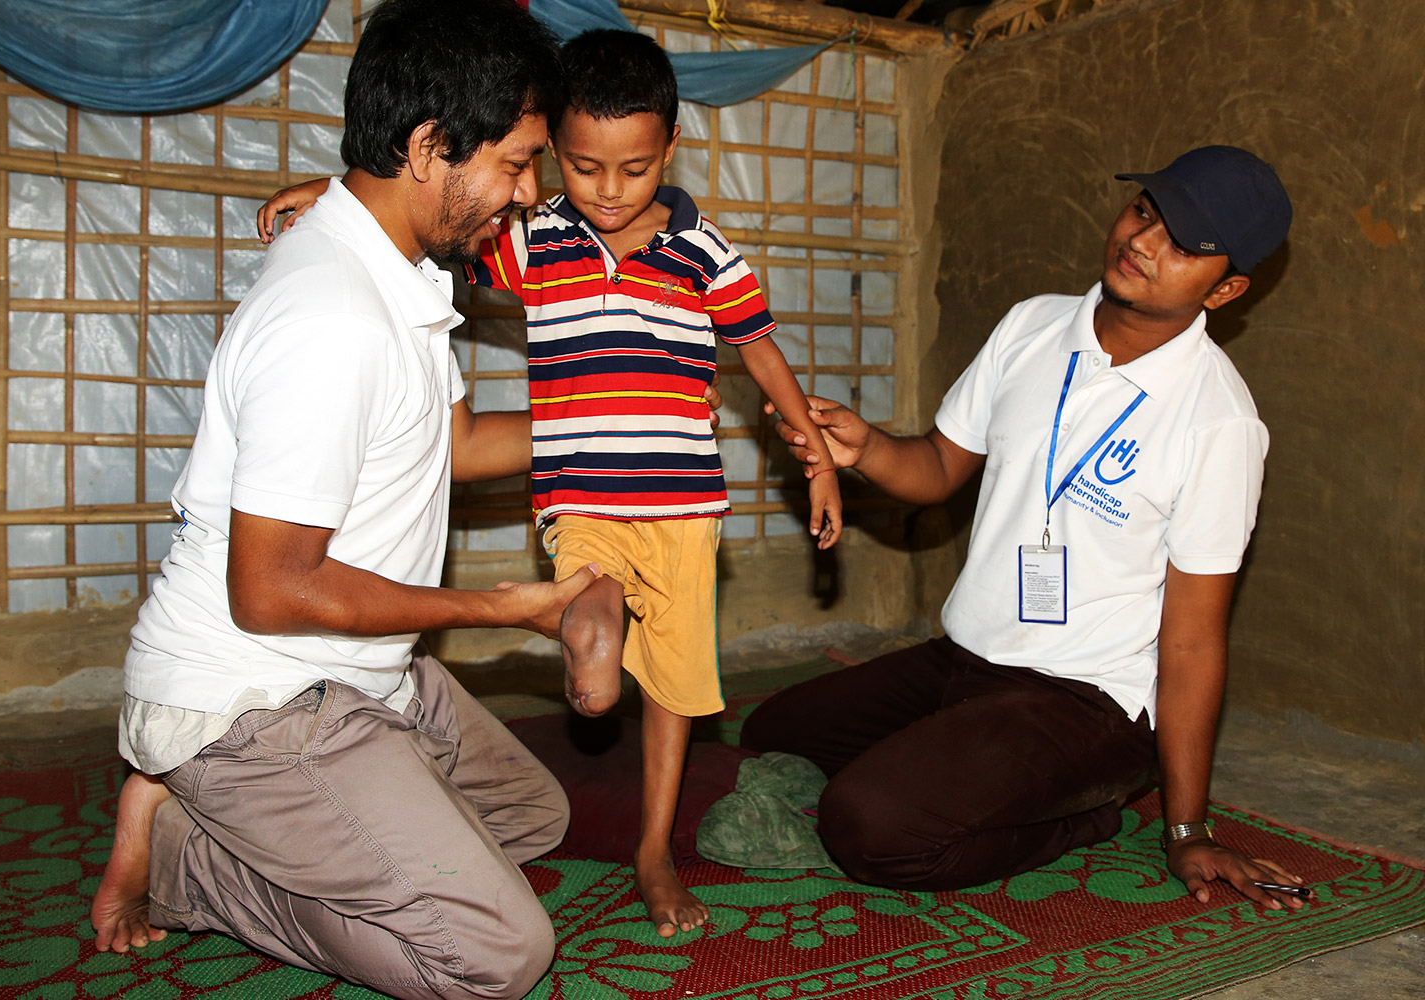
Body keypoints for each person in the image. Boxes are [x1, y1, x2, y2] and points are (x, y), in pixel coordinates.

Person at [259, 29, 843, 939]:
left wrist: (813, 459)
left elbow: (761, 351)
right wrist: (338, 201)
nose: (607, 191)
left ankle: (655, 848)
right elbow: (423, 236)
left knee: (679, 690)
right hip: (581, 493)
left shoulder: (705, 251)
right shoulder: (535, 240)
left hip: (683, 506)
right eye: (580, 165)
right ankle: (589, 623)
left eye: (633, 168)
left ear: (670, 153)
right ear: (557, 152)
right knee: (589, 585)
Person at [88, 3, 598, 997]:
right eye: (518, 162)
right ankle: (192, 850)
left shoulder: (399, 269)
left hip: (360, 673)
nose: (528, 193)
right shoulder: (329, 317)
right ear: (426, 147)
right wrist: (502, 609)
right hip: (256, 697)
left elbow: (450, 444)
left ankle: (294, 799)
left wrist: (617, 427)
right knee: (497, 953)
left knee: (534, 818)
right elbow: (272, 593)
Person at [749, 145, 1309, 912]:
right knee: (773, 733)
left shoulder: (1219, 423)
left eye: (1186, 244)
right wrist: (866, 447)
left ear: (1228, 288)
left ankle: (1084, 815)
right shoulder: (1034, 325)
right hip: (965, 662)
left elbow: (1191, 639)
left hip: (1087, 702)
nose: (1144, 241)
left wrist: (1187, 829)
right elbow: (941, 467)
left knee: (871, 827)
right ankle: (967, 765)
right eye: (1146, 210)